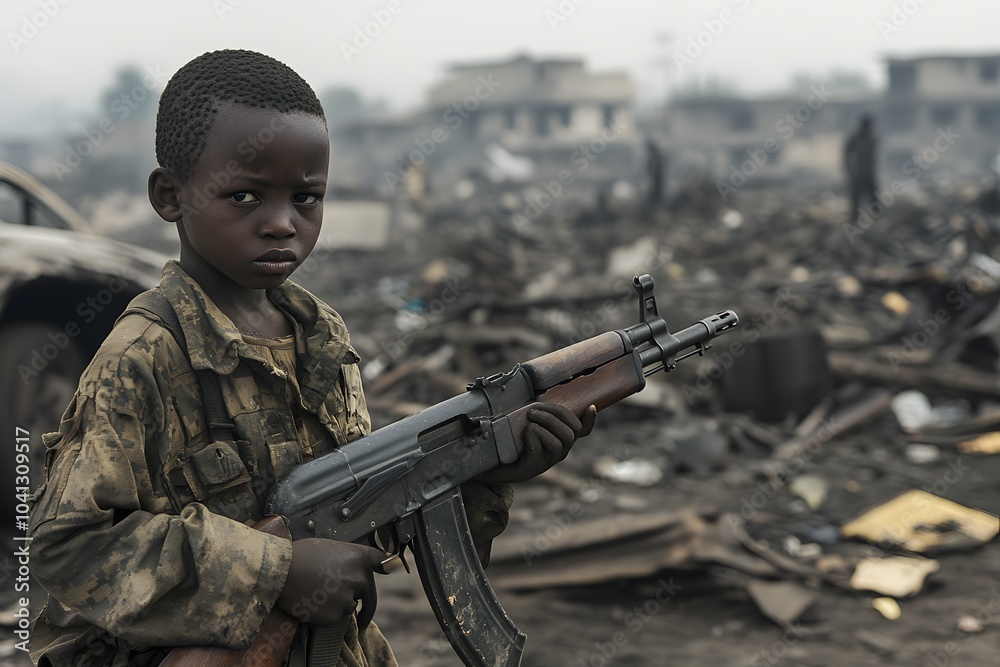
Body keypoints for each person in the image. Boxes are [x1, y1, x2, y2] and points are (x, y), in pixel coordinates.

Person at [28, 49, 596, 667]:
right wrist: (274, 571)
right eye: (245, 196)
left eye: (306, 198)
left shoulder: (320, 335)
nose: (282, 223)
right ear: (170, 196)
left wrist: (488, 473)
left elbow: (366, 513)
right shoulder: (143, 356)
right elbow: (70, 548)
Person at [844, 115, 877, 219]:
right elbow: (846, 154)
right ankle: (854, 220)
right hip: (858, 173)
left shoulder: (871, 138)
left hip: (868, 173)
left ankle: (876, 220)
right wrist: (849, 170)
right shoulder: (856, 138)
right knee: (856, 200)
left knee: (874, 199)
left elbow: (873, 158)